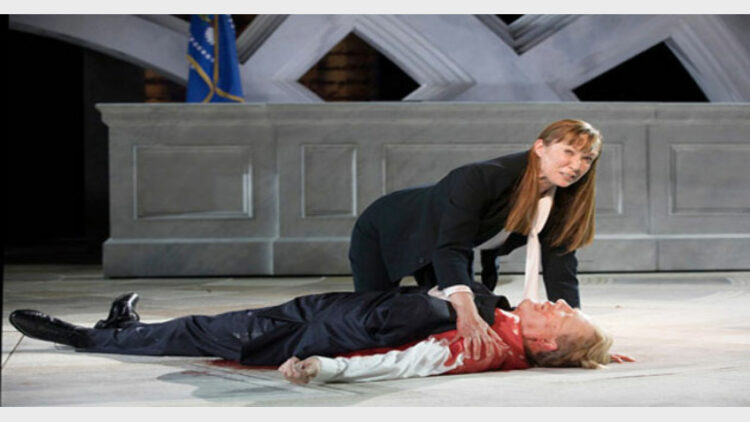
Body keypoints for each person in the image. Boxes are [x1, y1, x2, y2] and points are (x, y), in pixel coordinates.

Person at [8, 283, 622, 385]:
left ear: (544, 343)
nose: (559, 302)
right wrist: (594, 350)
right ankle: (128, 328)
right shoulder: (500, 319)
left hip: (310, 337)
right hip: (328, 310)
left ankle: (89, 337)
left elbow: (404, 364)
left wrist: (325, 369)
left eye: (563, 315)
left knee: (199, 331)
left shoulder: (483, 346)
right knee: (202, 327)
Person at [349, 119, 603, 362]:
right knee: (370, 321)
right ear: (540, 147)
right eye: (569, 152)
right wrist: (467, 313)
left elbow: (560, 268)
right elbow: (452, 247)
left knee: (442, 324)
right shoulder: (481, 177)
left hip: (448, 246)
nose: (576, 165)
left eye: (587, 158)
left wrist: (578, 345)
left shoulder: (564, 196)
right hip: (389, 226)